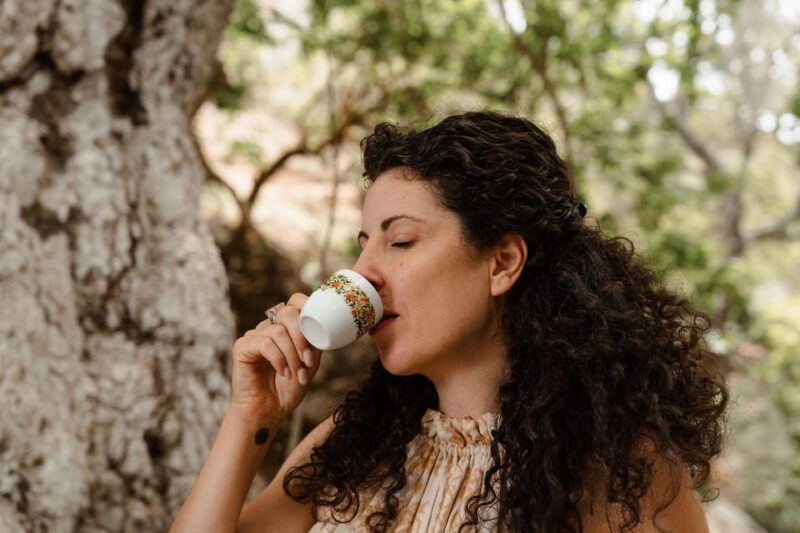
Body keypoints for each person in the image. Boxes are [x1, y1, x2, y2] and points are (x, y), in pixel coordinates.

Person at [170, 111, 728, 532]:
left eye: (401, 240)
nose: (364, 274)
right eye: (363, 247)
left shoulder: (627, 472)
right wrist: (250, 420)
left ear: (502, 262)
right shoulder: (353, 442)